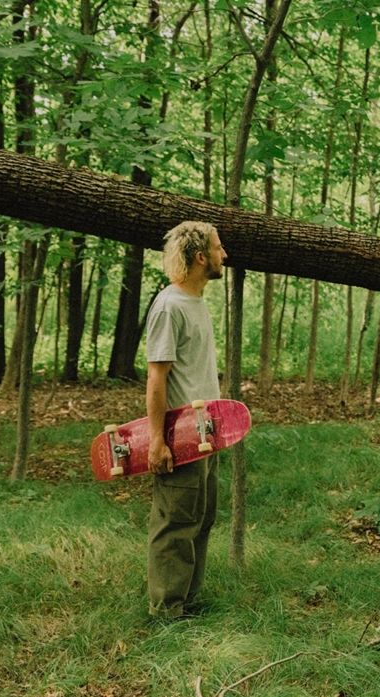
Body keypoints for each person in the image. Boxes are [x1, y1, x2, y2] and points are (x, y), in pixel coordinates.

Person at [144, 220, 227, 619]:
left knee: (202, 519)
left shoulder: (196, 302)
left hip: (206, 433)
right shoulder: (168, 306)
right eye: (217, 248)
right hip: (178, 437)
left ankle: (188, 602)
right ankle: (166, 612)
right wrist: (157, 441)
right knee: (175, 523)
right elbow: (156, 378)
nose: (223, 254)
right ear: (200, 257)